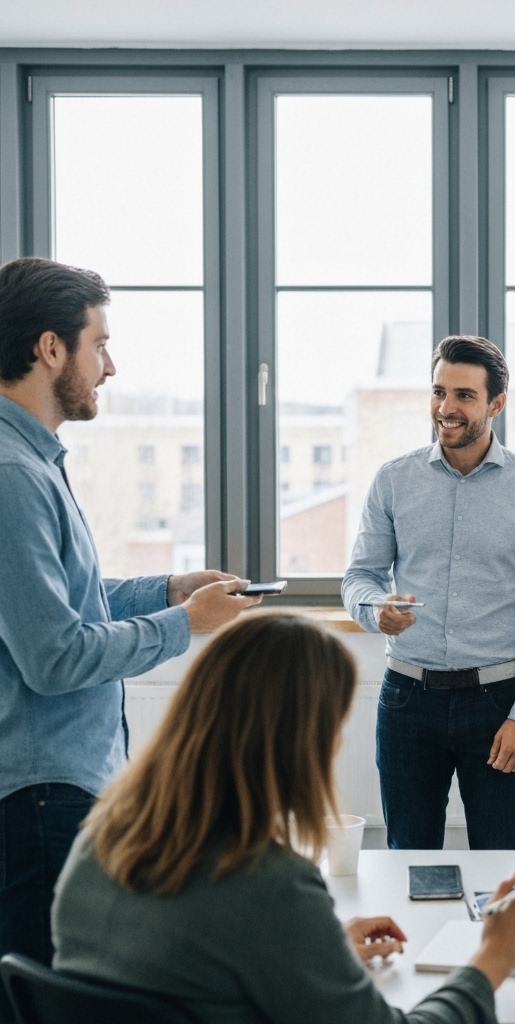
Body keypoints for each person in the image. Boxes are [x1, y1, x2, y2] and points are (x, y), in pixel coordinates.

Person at [51, 613, 515, 1024]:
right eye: (333, 725)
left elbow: (193, 968)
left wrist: (315, 953)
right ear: (298, 740)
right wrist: (493, 958)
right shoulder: (271, 885)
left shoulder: (100, 839)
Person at [0, 256, 261, 995]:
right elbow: (53, 656)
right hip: (39, 798)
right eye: (99, 344)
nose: (108, 367)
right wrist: (184, 624)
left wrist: (171, 588)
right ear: (50, 348)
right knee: (49, 998)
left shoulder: (35, 462)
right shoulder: (12, 475)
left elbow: (73, 601)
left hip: (60, 789)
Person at [343, 335, 515, 850]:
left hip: (496, 705)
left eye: (464, 395)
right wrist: (375, 609)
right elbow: (359, 576)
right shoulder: (393, 481)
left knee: (498, 861)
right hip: (406, 702)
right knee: (408, 859)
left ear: (496, 403)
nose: (446, 408)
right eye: (438, 392)